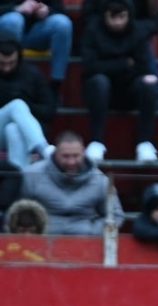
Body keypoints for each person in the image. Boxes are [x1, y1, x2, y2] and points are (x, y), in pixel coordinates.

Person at [79, 0, 158, 163]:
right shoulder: (92, 31)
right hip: (99, 93)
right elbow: (89, 67)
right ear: (104, 15)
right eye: (113, 17)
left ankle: (145, 143)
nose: (117, 22)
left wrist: (108, 65)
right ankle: (97, 142)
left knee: (148, 85)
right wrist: (124, 64)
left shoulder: (138, 32)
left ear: (129, 16)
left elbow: (143, 66)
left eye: (122, 17)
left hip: (129, 90)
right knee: (99, 81)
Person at [20, 130, 125, 235]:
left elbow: (116, 216)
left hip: (86, 242)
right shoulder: (31, 175)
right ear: (55, 153)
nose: (71, 162)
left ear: (84, 152)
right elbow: (17, 211)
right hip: (41, 241)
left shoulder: (100, 181)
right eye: (65, 156)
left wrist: (93, 232)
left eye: (76, 156)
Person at [0, 27, 53, 168]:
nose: (6, 68)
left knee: (13, 129)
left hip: (25, 129)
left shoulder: (32, 74)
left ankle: (19, 180)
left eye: (11, 63)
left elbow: (49, 111)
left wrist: (27, 105)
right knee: (17, 104)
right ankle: (44, 149)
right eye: (2, 64)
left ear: (18, 58)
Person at [0, 0, 72, 102]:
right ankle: (10, 81)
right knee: (14, 20)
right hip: (7, 30)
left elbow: (60, 10)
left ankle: (55, 85)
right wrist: (17, 9)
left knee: (63, 23)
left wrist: (48, 10)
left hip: (38, 32)